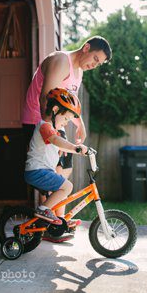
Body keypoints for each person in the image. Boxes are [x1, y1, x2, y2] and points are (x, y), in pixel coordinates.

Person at [20, 36, 111, 195]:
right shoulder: (61, 61)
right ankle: (47, 217)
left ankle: (58, 218)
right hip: (37, 122)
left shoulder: (79, 72)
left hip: (55, 125)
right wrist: (55, 136)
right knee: (52, 172)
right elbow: (45, 98)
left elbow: (68, 103)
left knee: (65, 169)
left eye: (99, 64)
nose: (94, 65)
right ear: (86, 48)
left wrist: (79, 124)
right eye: (95, 59)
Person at [24, 87, 91, 228]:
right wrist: (75, 148)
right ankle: (43, 210)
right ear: (55, 110)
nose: (66, 123)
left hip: (43, 171)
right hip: (37, 171)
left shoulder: (53, 130)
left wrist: (83, 150)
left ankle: (60, 222)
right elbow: (55, 140)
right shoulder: (45, 126)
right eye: (66, 118)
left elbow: (59, 146)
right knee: (67, 186)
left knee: (61, 191)